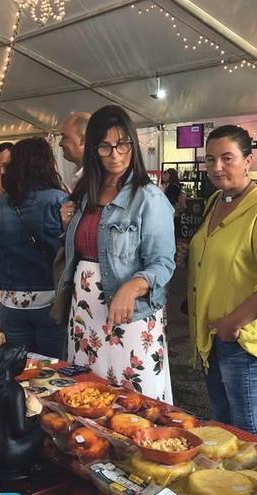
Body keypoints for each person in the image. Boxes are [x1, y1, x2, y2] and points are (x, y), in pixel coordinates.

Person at [58, 105, 176, 401]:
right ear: (93, 150)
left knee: (134, 400)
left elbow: (163, 261)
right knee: (87, 397)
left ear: (133, 145)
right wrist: (68, 225)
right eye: (105, 146)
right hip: (84, 313)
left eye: (122, 144)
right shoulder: (85, 194)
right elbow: (83, 250)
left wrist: (133, 286)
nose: (115, 154)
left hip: (128, 314)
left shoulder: (149, 197)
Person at [186, 125, 257, 436]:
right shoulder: (216, 200)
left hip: (243, 340)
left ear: (248, 160)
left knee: (248, 434)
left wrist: (234, 324)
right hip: (213, 336)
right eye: (210, 159)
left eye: (227, 158)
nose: (216, 167)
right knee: (223, 427)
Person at [0, 137, 67, 359]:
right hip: (50, 298)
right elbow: (67, 252)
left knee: (19, 367)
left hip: (11, 298)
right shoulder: (59, 201)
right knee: (52, 368)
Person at [59, 112, 91, 189]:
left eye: (65, 137)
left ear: (83, 139)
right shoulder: (80, 175)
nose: (60, 143)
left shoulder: (101, 178)